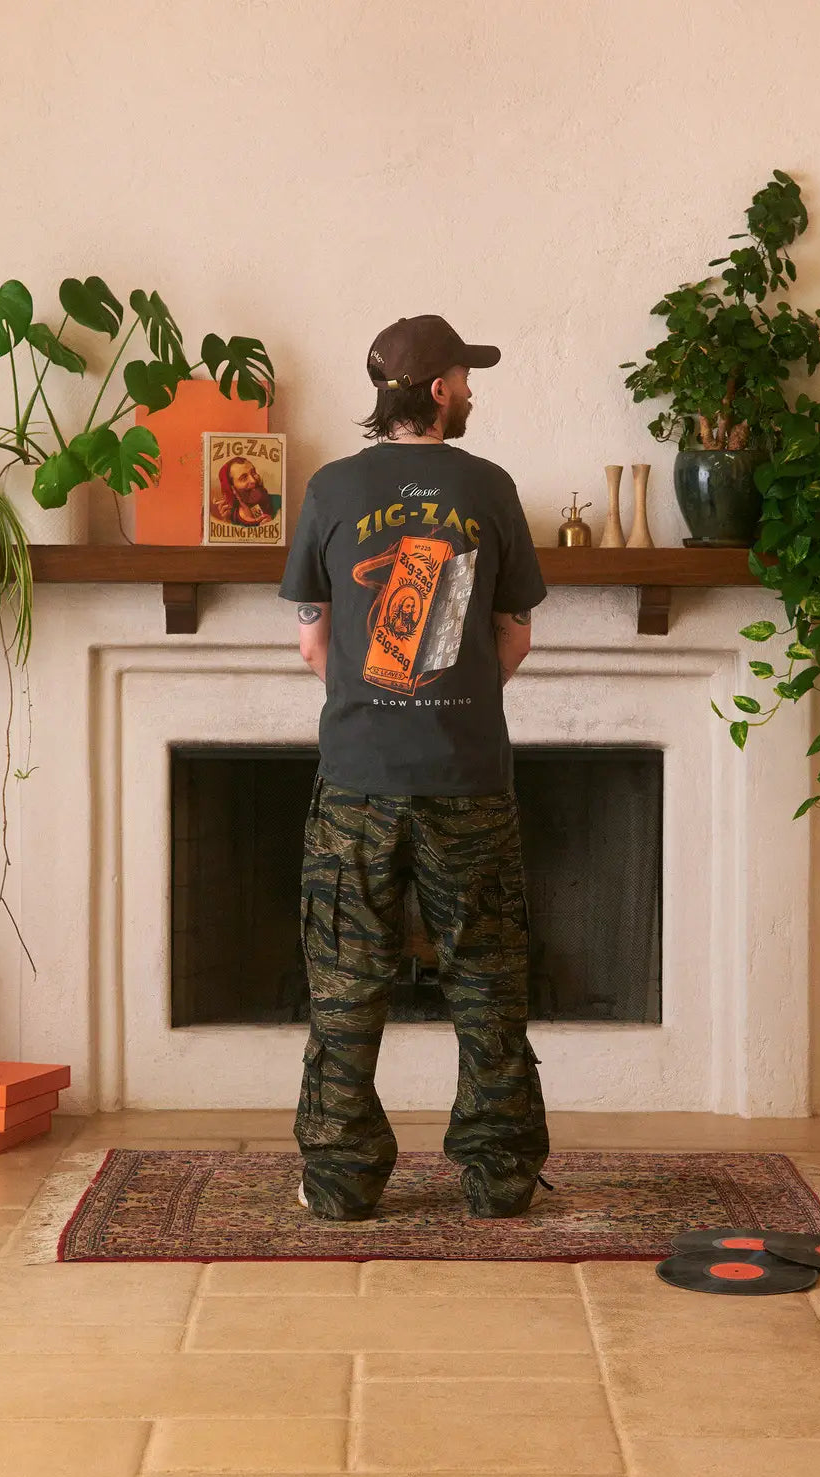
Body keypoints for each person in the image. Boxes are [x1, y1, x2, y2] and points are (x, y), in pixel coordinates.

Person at [277, 313, 551, 1222]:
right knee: (486, 983)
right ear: (437, 389)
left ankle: (342, 1180)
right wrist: (454, 692)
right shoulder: (489, 486)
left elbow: (313, 644)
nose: (470, 389)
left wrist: (381, 700)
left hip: (356, 779)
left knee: (347, 988)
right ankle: (500, 1177)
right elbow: (513, 637)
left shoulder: (330, 488)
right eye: (464, 377)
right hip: (469, 778)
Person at [213, 455, 281, 526]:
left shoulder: (279, 503)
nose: (253, 480)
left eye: (253, 472)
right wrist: (227, 522)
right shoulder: (232, 518)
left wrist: (272, 526)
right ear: (232, 489)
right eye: (244, 478)